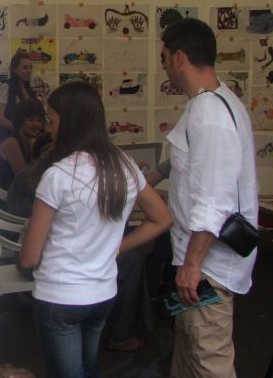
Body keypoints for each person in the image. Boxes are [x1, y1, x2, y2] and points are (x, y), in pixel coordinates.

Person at [18, 81, 172, 378]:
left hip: (60, 296)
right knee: (88, 367)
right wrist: (118, 248)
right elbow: (162, 218)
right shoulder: (124, 165)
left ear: (70, 122)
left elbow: (29, 257)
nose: (48, 128)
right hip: (103, 292)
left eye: (52, 120)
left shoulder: (58, 175)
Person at [159, 18, 258, 378]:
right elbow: (189, 161)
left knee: (207, 359)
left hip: (207, 269)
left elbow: (214, 200)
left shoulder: (210, 113)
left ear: (179, 58)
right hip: (198, 261)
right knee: (188, 354)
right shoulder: (208, 103)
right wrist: (147, 179)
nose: (163, 66)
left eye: (164, 57)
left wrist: (191, 266)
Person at [0, 98, 45, 190]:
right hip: (0, 195)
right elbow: (24, 179)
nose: (36, 124)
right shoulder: (11, 143)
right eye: (31, 120)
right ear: (20, 121)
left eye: (39, 120)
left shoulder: (28, 142)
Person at [0, 52, 36, 143]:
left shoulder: (30, 91)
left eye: (30, 67)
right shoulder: (7, 87)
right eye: (25, 67)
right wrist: (19, 130)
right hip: (7, 138)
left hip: (24, 139)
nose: (29, 71)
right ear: (14, 69)